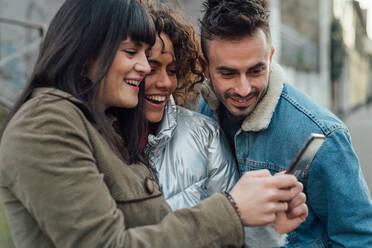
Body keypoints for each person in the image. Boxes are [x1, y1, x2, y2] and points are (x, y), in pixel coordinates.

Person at [0, 0, 306, 247]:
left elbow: (164, 230)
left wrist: (263, 227)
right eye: (132, 53)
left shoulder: (106, 125)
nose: (145, 68)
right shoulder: (47, 124)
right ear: (86, 50)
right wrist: (231, 210)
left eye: (150, 57)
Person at [197, 0, 372, 247]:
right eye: (228, 73)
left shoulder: (323, 134)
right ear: (205, 67)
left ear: (270, 57)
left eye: (256, 70)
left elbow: (359, 238)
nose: (244, 88)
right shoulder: (201, 113)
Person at [141, 3, 307, 247]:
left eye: (173, 70)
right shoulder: (88, 138)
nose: (165, 82)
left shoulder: (205, 134)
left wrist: (268, 231)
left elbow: (236, 231)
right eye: (151, 69)